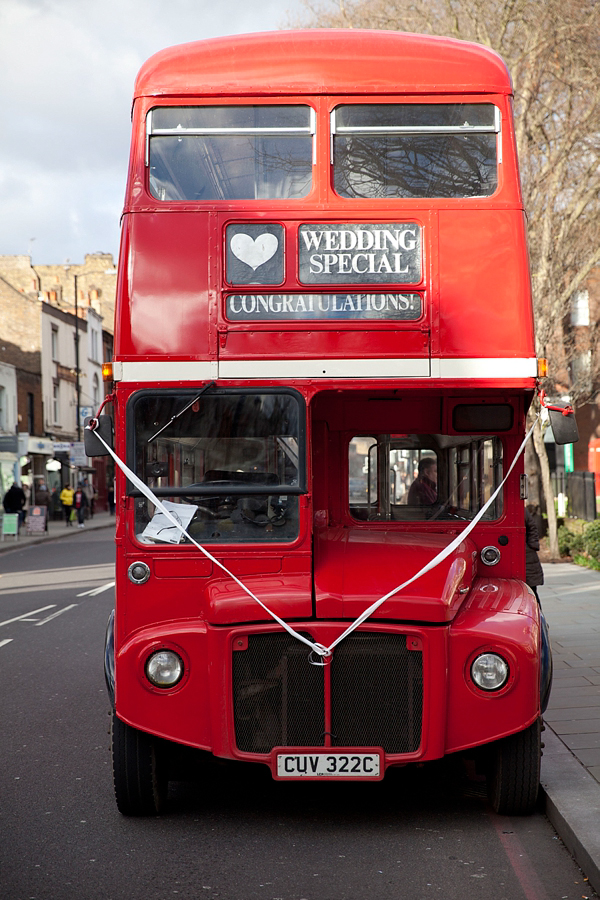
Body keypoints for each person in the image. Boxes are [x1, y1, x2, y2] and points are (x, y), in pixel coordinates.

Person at [525, 507, 544, 602]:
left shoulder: (523, 511)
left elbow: (532, 527)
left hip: (527, 555)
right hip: (527, 553)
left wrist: (532, 545)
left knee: (532, 593)